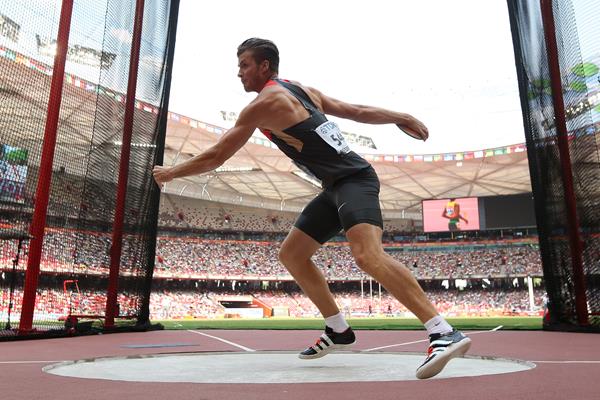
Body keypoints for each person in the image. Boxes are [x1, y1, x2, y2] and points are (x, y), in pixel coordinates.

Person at [153, 38, 471, 379]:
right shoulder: (300, 89)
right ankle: (338, 330)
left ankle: (443, 331)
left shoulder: (264, 104)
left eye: (244, 65)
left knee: (368, 256)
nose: (239, 73)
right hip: (335, 187)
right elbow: (356, 111)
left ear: (264, 66)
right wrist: (400, 116)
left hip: (355, 180)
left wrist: (169, 172)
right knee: (292, 254)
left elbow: (217, 155)